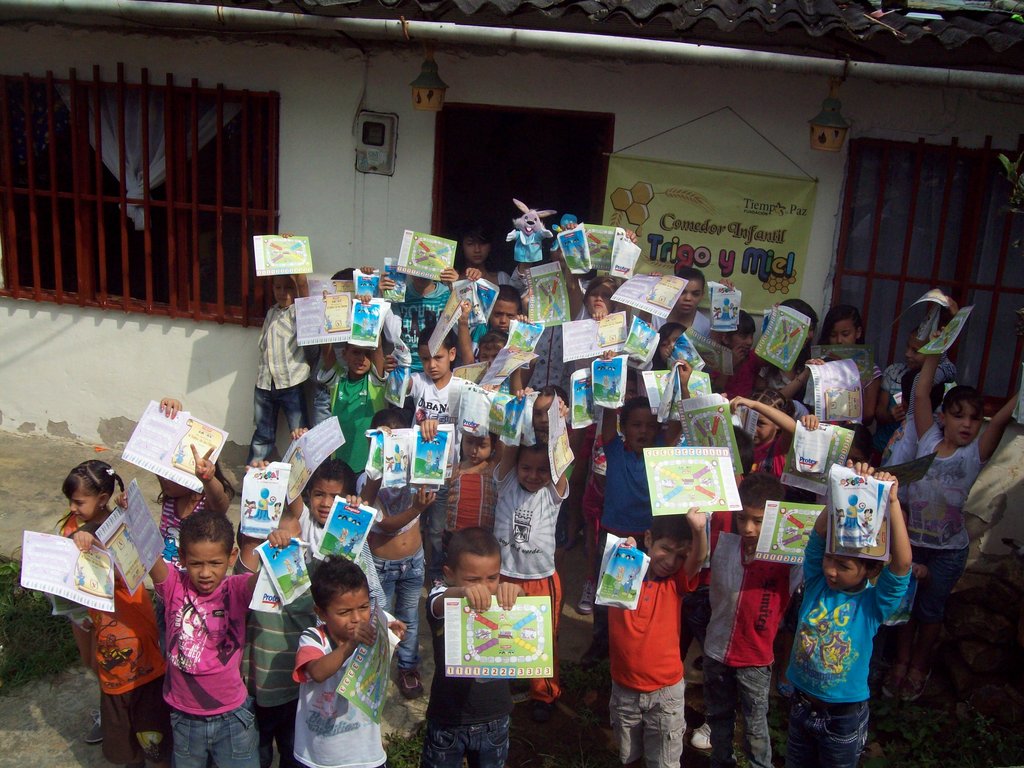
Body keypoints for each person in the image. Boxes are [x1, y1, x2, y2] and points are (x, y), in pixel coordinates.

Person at [888, 344, 1018, 700]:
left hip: (947, 551)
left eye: (974, 419)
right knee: (905, 607)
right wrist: (938, 343)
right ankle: (899, 662)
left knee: (930, 612)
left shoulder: (974, 453)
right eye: (958, 415)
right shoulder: (928, 435)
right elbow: (921, 388)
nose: (967, 424)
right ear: (943, 416)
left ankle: (918, 666)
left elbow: (1004, 416)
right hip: (910, 544)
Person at [786, 463, 911, 768]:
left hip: (843, 717)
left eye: (844, 566)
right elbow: (817, 539)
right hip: (801, 705)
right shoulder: (816, 583)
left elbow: (902, 564)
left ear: (870, 570)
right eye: (830, 558)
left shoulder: (872, 605)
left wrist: (891, 501)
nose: (831, 569)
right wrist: (846, 490)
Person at [66, 461, 172, 768]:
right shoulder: (74, 531)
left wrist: (99, 539)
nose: (72, 508)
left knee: (153, 728)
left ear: (102, 498)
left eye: (78, 501)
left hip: (139, 638)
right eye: (70, 501)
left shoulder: (120, 524)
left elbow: (140, 559)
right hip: (107, 645)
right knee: (123, 732)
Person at [702, 473, 801, 768]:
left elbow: (822, 539)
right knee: (718, 719)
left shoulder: (789, 558)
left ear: (776, 519)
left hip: (755, 659)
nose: (748, 528)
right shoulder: (723, 543)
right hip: (715, 651)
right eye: (742, 518)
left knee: (756, 728)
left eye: (758, 521)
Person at [149, 510, 260, 768]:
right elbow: (146, 553)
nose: (206, 573)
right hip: (185, 717)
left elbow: (264, 582)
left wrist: (279, 549)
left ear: (231, 557)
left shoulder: (237, 588)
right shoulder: (174, 584)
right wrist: (125, 515)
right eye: (197, 563)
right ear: (182, 558)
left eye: (215, 563)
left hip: (233, 717)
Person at [607, 513, 708, 768]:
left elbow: (699, 558)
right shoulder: (623, 571)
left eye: (680, 556)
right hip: (624, 689)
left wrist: (699, 529)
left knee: (664, 761)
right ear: (649, 539)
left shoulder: (676, 583)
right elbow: (615, 556)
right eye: (666, 549)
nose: (672, 561)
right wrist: (623, 549)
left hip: (665, 694)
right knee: (628, 755)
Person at [421, 527, 523, 768]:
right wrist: (462, 593)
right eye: (473, 579)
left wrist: (517, 592)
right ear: (449, 574)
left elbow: (526, 608)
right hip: (447, 720)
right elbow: (437, 603)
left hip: (495, 718)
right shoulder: (443, 597)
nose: (484, 588)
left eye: (492, 578)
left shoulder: (501, 599)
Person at [293, 556, 405, 768]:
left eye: (364, 607)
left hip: (366, 756)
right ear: (321, 613)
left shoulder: (374, 626)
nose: (357, 618)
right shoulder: (314, 639)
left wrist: (395, 634)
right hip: (318, 758)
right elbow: (317, 672)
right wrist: (350, 645)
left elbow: (391, 630)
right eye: (344, 612)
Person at [493, 435, 569, 722]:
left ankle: (544, 693)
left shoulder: (552, 491)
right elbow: (511, 445)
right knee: (502, 633)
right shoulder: (506, 482)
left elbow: (560, 454)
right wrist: (521, 412)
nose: (534, 475)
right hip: (503, 576)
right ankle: (502, 683)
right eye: (526, 468)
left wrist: (557, 421)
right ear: (516, 467)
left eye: (541, 470)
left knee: (543, 639)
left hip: (541, 579)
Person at [360, 408, 432, 700]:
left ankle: (407, 666)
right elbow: (385, 525)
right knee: (381, 618)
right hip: (382, 567)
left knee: (410, 619)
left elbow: (439, 459)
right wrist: (416, 509)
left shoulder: (415, 473)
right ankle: (374, 670)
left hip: (414, 562)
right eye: (383, 445)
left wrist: (428, 435)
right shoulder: (365, 483)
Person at [410, 323, 460, 583]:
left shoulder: (462, 387)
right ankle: (414, 572)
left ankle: (436, 577)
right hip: (416, 473)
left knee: (437, 531)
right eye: (425, 358)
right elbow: (393, 378)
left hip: (446, 475)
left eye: (438, 357)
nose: (431, 365)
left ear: (452, 354)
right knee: (413, 525)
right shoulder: (418, 382)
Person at [249, 273, 311, 463]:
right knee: (262, 435)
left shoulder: (297, 312)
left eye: (288, 288)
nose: (283, 293)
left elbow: (305, 293)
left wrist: (295, 262)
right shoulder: (271, 312)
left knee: (300, 434)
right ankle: (255, 479)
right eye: (278, 287)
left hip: (291, 382)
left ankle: (304, 483)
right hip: (265, 383)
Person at [815, 305, 882, 427]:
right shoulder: (821, 363)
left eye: (845, 334)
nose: (839, 340)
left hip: (850, 434)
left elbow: (868, 415)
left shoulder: (870, 370)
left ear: (858, 333)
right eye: (833, 335)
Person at [329, 338, 387, 477]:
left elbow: (378, 348)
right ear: (344, 353)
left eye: (368, 354)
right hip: (340, 464)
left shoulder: (375, 381)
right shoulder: (337, 379)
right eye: (356, 352)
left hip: (370, 465)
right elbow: (327, 347)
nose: (362, 359)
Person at [386, 265, 459, 372]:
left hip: (439, 370)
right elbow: (391, 334)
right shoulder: (400, 295)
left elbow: (463, 326)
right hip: (407, 369)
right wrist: (381, 294)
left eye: (426, 266)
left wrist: (458, 286)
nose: (422, 273)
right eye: (416, 267)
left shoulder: (447, 294)